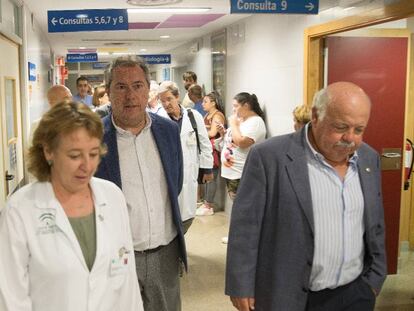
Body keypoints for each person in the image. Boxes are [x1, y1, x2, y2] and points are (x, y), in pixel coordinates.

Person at [225, 82, 387, 311]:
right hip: (289, 296)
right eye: (340, 127)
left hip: (356, 294)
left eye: (359, 129)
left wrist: (375, 279)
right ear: (316, 116)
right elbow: (245, 228)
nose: (350, 138)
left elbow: (375, 224)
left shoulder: (368, 159)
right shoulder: (270, 157)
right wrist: (241, 284)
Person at [0, 101, 143, 311]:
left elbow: (127, 284)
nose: (87, 165)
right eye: (74, 155)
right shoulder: (20, 210)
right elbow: (10, 299)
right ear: (49, 152)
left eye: (94, 154)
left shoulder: (112, 197)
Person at [95, 56, 186, 311]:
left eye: (137, 86)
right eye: (121, 87)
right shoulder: (93, 136)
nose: (130, 95)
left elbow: (174, 183)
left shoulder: (168, 131)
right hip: (116, 256)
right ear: (109, 92)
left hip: (165, 253)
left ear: (148, 91)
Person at [158, 81, 213, 233]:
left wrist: (207, 169)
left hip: (190, 170)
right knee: (169, 214)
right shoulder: (158, 119)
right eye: (162, 100)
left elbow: (204, 142)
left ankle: (181, 243)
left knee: (187, 213)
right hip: (167, 172)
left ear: (177, 97)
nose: (166, 104)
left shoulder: (193, 116)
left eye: (169, 99)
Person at [196, 91, 226, 216]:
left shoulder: (217, 116)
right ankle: (206, 202)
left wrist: (197, 134)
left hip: (213, 149)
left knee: (212, 177)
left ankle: (209, 205)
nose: (203, 104)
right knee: (207, 177)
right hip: (207, 148)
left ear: (213, 103)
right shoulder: (208, 115)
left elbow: (213, 133)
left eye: (205, 102)